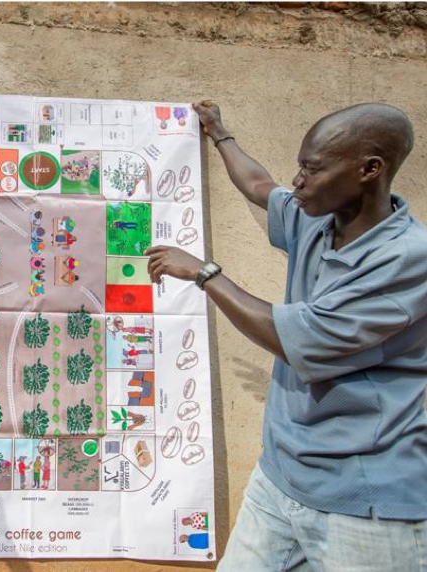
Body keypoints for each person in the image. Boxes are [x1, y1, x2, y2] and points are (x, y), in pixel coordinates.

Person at [145, 101, 427, 570]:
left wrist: (204, 273)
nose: (297, 181)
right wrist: (220, 134)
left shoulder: (407, 258)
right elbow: (259, 185)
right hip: (281, 479)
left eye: (312, 170)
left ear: (369, 170)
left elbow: (296, 339)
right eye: (300, 166)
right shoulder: (316, 219)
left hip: (363, 501)